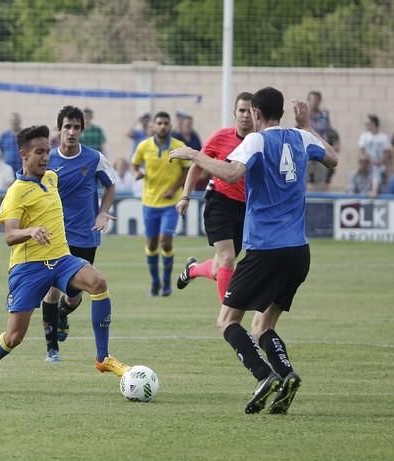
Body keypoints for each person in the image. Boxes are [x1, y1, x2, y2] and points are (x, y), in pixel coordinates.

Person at [170, 87, 338, 414]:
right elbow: (332, 158)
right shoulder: (301, 137)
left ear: (257, 114)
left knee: (227, 320)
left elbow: (232, 172)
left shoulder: (256, 140)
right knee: (262, 326)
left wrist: (194, 155)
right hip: (298, 252)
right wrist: (306, 125)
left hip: (265, 249)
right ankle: (287, 376)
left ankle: (264, 376)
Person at [0, 125, 129, 393]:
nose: (45, 157)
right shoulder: (17, 191)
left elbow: (78, 184)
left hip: (61, 259)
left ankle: (102, 357)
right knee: (14, 337)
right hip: (28, 269)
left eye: (47, 152)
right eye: (39, 152)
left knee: (98, 282)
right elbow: (9, 235)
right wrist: (30, 231)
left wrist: (100, 208)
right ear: (24, 155)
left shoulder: (51, 178)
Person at [41, 105, 117, 362]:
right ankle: (52, 350)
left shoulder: (94, 158)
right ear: (59, 130)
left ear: (82, 131)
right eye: (67, 127)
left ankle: (63, 312)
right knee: (51, 290)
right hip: (55, 237)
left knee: (74, 297)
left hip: (85, 236)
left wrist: (103, 212)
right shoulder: (47, 159)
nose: (71, 132)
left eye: (76, 127)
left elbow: (111, 185)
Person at [175, 92, 254, 304]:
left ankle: (192, 270)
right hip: (219, 201)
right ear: (234, 113)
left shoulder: (261, 141)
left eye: (250, 111)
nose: (246, 115)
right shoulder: (221, 137)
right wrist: (185, 196)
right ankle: (227, 319)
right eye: (242, 110)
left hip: (247, 207)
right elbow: (197, 165)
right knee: (228, 259)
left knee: (222, 266)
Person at [132, 111, 190, 296]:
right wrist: (137, 173)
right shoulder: (144, 146)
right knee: (151, 244)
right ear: (154, 126)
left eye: (166, 123)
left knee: (165, 241)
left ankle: (166, 282)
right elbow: (135, 164)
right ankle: (155, 282)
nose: (163, 126)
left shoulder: (179, 146)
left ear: (170, 126)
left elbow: (188, 171)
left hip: (171, 204)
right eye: (159, 123)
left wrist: (174, 189)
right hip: (149, 202)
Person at [305, 91, 335, 192]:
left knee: (325, 171)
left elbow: (330, 131)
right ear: (308, 101)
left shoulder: (324, 115)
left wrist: (335, 143)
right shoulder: (305, 116)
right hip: (309, 149)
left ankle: (323, 190)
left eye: (316, 100)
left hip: (322, 148)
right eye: (312, 100)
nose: (314, 103)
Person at [358, 114, 391, 193]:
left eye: (368, 123)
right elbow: (362, 152)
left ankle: (374, 192)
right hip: (367, 165)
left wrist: (379, 163)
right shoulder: (364, 136)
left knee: (377, 173)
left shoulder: (384, 137)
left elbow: (386, 155)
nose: (366, 125)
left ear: (374, 123)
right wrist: (369, 162)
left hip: (380, 166)